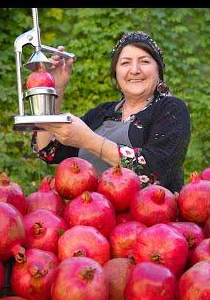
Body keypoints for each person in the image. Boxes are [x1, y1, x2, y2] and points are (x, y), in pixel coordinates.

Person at [32, 31, 191, 193]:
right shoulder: (102, 112)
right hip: (90, 212)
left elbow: (157, 170)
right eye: (125, 63)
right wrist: (54, 89)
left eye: (144, 61)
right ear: (116, 73)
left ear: (159, 71)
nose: (135, 70)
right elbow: (49, 151)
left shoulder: (171, 109)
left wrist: (89, 141)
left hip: (149, 215)